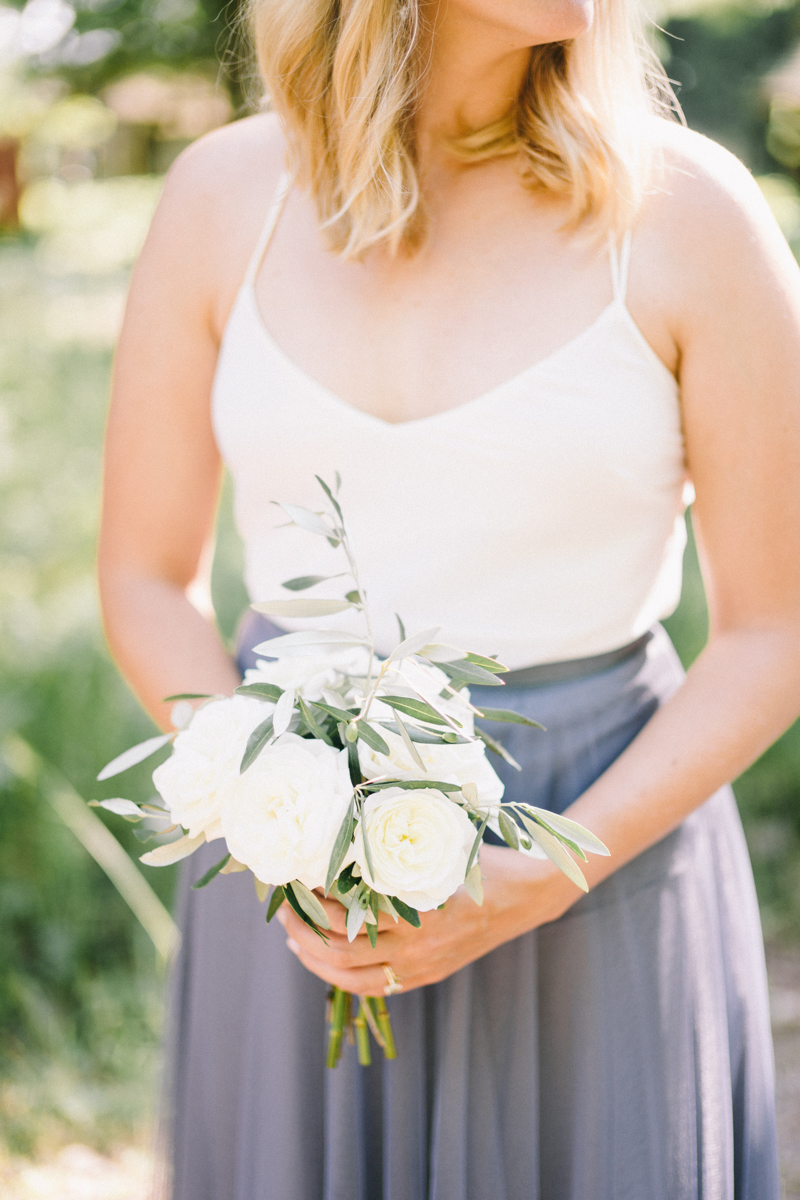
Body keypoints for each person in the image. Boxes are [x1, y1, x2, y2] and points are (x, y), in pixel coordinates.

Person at [97, 0, 800, 1192]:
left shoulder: (690, 216)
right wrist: (274, 807)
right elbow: (142, 576)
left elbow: (774, 628)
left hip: (598, 852)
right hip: (291, 890)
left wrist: (544, 870)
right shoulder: (222, 199)